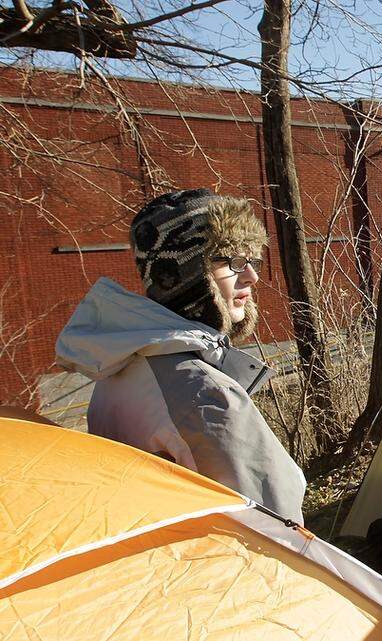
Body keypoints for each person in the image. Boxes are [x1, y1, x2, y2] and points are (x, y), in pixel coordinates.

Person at [56, 189, 305, 523]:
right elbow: (277, 527)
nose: (253, 275)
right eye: (232, 261)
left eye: (252, 259)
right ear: (189, 276)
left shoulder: (120, 365)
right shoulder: (205, 394)